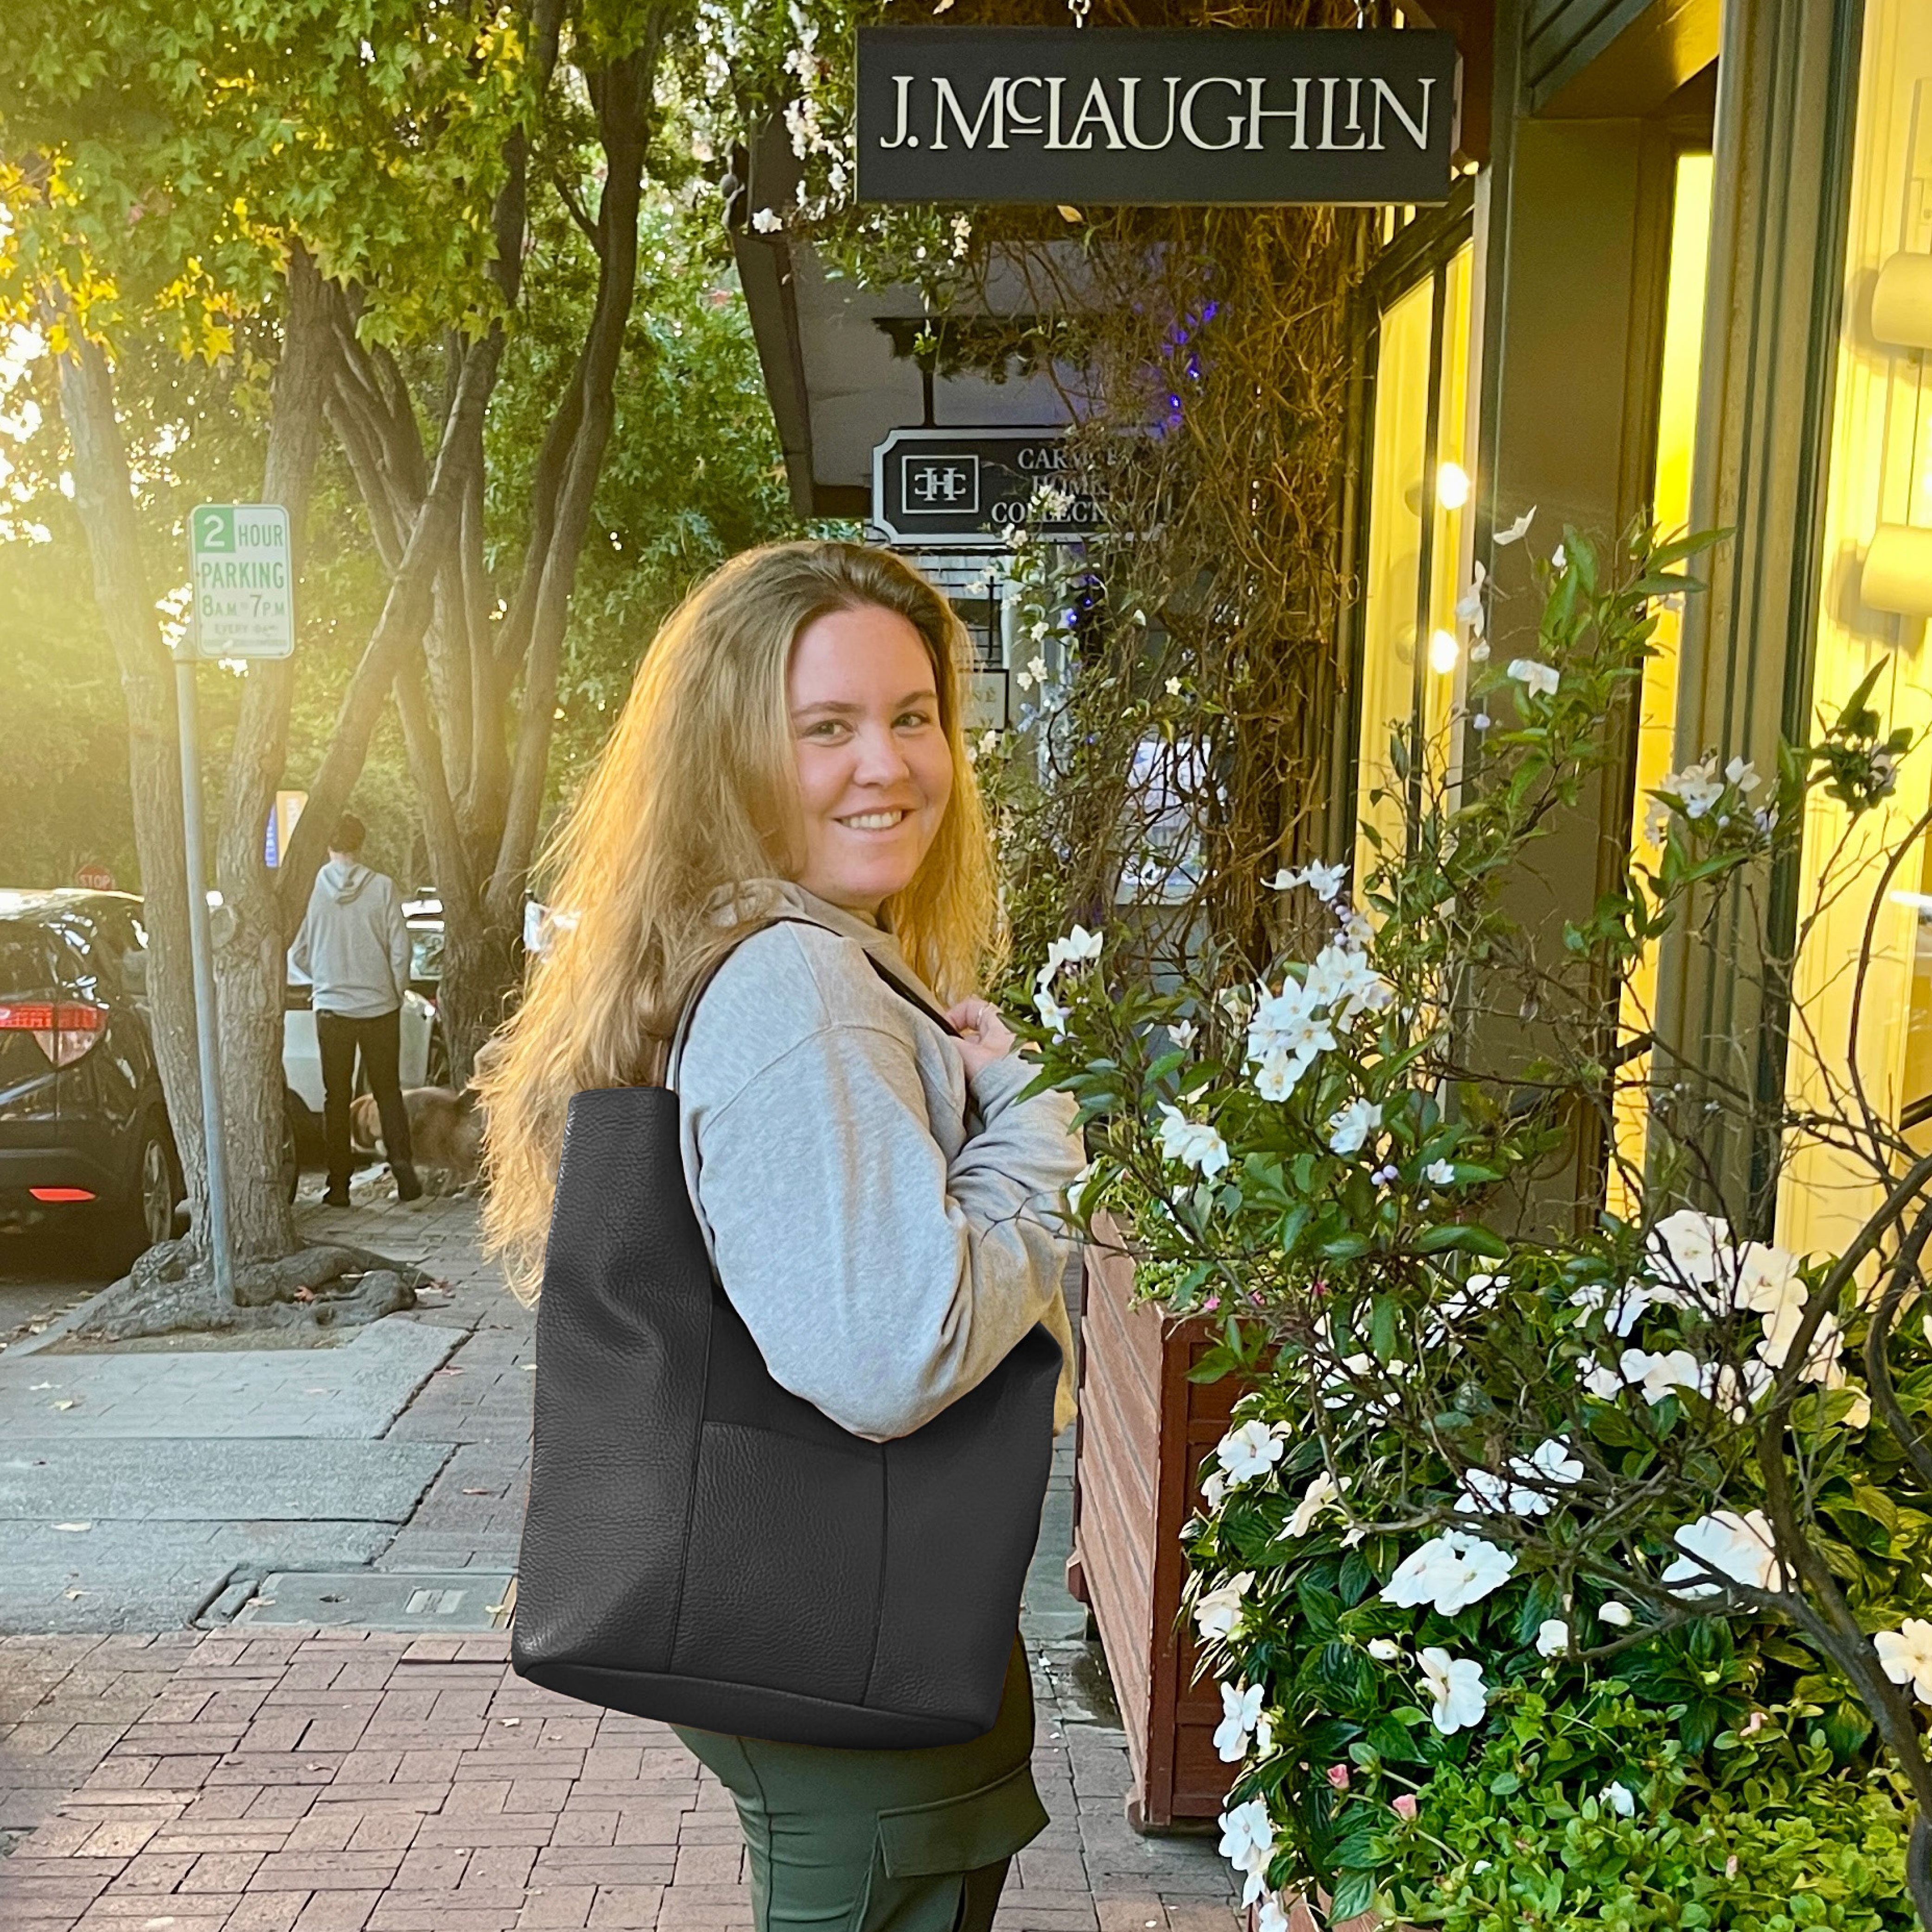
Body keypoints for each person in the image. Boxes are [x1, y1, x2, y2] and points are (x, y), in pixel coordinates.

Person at [480, 543, 1082, 1932]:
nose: (889, 764)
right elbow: (891, 1353)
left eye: (913, 716)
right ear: (732, 757)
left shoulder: (763, 949)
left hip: (847, 1689)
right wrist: (1035, 1120)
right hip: (859, 1714)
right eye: (827, 727)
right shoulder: (800, 983)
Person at [290, 813, 422, 1208]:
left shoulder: (314, 890)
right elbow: (400, 947)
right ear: (361, 845)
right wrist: (394, 989)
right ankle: (404, 1172)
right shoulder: (382, 888)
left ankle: (339, 1186)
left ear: (328, 845)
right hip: (379, 1006)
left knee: (336, 1096)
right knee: (387, 1091)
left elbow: (299, 952)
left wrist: (324, 980)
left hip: (332, 1008)